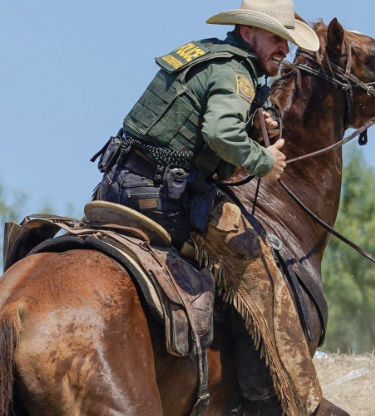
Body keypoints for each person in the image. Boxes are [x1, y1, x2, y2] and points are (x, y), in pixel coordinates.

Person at [92, 0, 322, 413]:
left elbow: (196, 117)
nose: (284, 49)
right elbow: (218, 132)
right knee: (260, 272)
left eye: (286, 41)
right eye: (276, 38)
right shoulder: (237, 73)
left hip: (116, 187)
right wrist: (263, 160)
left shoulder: (205, 53)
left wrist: (253, 121)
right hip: (164, 200)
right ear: (248, 33)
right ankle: (271, 397)